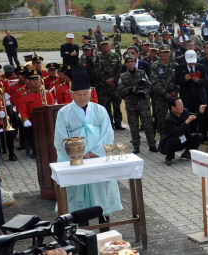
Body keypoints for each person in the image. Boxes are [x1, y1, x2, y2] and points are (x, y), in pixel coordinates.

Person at [54, 67, 123, 231]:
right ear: (71, 94)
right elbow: (60, 137)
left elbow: (108, 133)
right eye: (78, 94)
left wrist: (94, 152)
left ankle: (104, 228)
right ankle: (82, 230)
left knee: (101, 192)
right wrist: (78, 154)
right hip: (77, 159)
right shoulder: (64, 112)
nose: (82, 97)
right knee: (80, 195)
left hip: (97, 158)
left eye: (85, 93)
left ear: (90, 93)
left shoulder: (99, 110)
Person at [118, 54, 158, 154]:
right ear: (126, 64)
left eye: (132, 61)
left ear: (135, 62)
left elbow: (149, 86)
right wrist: (130, 89)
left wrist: (143, 91)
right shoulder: (123, 76)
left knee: (148, 125)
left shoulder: (142, 73)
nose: (131, 63)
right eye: (128, 62)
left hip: (143, 103)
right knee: (133, 126)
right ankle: (136, 146)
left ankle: (152, 145)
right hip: (131, 105)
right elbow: (120, 90)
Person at [18, 69, 54, 158]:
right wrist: (25, 120)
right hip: (32, 121)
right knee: (29, 130)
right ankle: (35, 150)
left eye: (37, 80)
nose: (36, 82)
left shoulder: (47, 94)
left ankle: (49, 149)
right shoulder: (24, 96)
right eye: (33, 80)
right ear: (28, 82)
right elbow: (22, 111)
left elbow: (51, 107)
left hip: (46, 120)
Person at [159, 97, 205, 165]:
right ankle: (169, 157)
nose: (182, 107)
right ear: (173, 107)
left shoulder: (185, 111)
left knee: (198, 136)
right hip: (169, 144)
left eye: (182, 104)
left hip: (183, 139)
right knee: (174, 139)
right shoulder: (168, 119)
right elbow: (177, 132)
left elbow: (193, 116)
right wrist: (187, 122)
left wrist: (200, 112)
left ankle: (186, 154)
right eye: (180, 105)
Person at [94, 39, 124, 130]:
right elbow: (96, 70)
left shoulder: (116, 55)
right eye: (102, 45)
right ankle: (109, 124)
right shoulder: (98, 56)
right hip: (103, 86)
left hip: (114, 86)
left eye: (106, 44)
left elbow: (120, 69)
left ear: (110, 45)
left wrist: (114, 80)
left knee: (117, 105)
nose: (104, 46)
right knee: (106, 106)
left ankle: (118, 123)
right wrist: (107, 81)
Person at [175, 50, 207, 133]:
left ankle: (203, 135)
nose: (191, 64)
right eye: (189, 62)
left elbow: (206, 81)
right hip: (187, 97)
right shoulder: (179, 68)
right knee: (188, 115)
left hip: (199, 96)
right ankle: (190, 134)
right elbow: (177, 81)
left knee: (201, 115)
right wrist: (184, 79)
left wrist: (198, 80)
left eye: (193, 62)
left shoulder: (201, 67)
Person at [151, 45, 179, 135]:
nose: (165, 54)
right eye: (163, 52)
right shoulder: (155, 65)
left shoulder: (175, 65)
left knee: (175, 116)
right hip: (160, 97)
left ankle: (174, 135)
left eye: (167, 52)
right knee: (161, 119)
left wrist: (175, 91)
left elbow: (179, 80)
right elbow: (155, 82)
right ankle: (163, 139)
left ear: (170, 53)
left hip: (173, 96)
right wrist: (165, 93)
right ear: (160, 53)